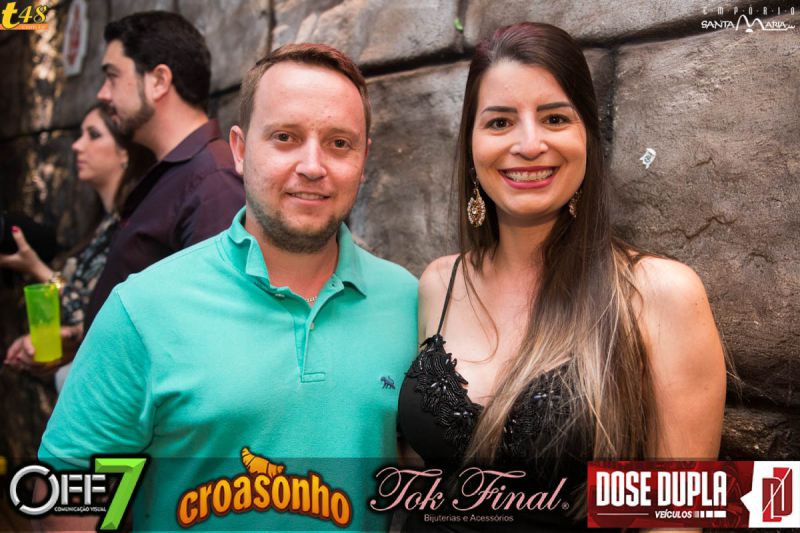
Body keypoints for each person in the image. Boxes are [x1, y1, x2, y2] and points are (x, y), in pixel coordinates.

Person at [37, 44, 418, 531]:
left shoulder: (407, 302)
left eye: (339, 143)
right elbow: (68, 506)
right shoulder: (144, 309)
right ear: (239, 149)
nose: (313, 165)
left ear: (364, 160)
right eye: (285, 137)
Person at [397, 22, 727, 530]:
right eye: (500, 122)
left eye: (554, 118)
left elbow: (674, 521)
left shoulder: (659, 295)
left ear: (587, 137)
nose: (529, 144)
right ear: (471, 146)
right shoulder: (440, 283)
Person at [83, 11, 244, 332]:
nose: (103, 94)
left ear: (158, 81)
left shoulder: (213, 180)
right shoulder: (177, 173)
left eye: (112, 76)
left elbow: (212, 327)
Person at [2, 105, 153, 389]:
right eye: (80, 135)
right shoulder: (101, 226)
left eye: (93, 135)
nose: (77, 145)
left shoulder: (133, 228)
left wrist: (37, 269)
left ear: (125, 153)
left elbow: (96, 312)